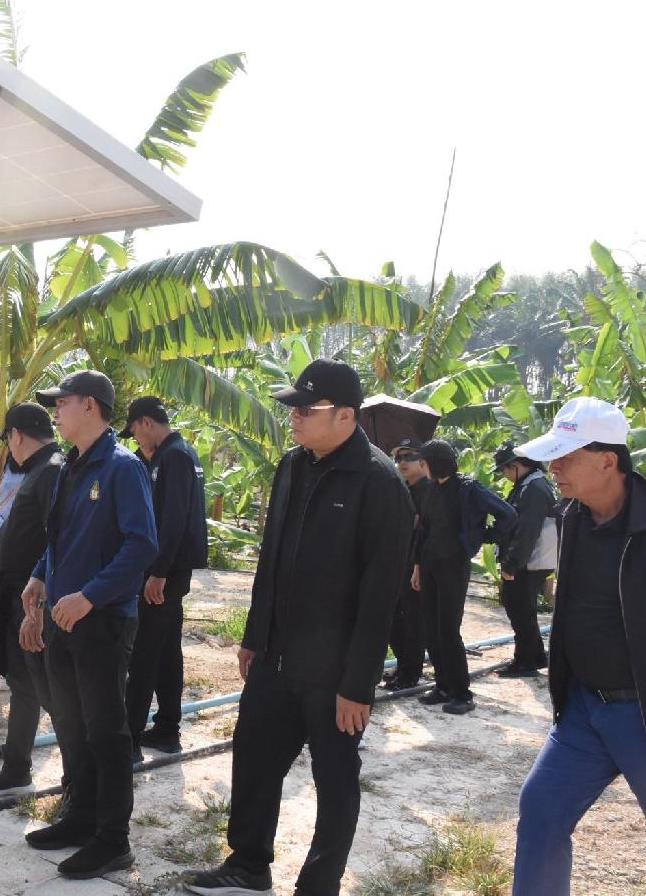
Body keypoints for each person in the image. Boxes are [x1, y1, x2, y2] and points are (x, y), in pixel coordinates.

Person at [186, 359, 413, 896]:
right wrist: (254, 636)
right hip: (277, 656)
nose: (293, 418)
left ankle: (319, 884)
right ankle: (248, 865)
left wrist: (358, 684)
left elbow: (381, 597)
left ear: (345, 416)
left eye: (305, 410)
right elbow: (271, 558)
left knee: (334, 779)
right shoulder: (292, 465)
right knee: (254, 759)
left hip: (334, 673)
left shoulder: (379, 483)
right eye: (292, 408)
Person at [511, 397, 646, 894]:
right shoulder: (573, 517)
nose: (554, 467)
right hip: (584, 710)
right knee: (541, 810)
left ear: (607, 461)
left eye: (566, 457)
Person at [18, 370, 157, 880]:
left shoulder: (122, 468)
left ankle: (113, 838)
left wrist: (89, 597)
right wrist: (39, 576)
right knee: (72, 725)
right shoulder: (69, 467)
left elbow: (141, 545)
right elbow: (61, 538)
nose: (56, 411)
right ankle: (81, 815)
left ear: (91, 406)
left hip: (101, 621)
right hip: (63, 617)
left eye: (63, 402)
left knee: (105, 730)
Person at [0, 403, 65, 798]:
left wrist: (36, 608)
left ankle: (83, 777)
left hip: (33, 602)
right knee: (25, 684)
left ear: (17, 436)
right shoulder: (41, 470)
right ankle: (16, 767)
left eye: (8, 439)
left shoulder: (51, 472)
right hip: (20, 596)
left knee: (51, 691)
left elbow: (58, 544)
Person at [120, 395, 208, 758]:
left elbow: (173, 520)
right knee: (167, 651)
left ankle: (130, 739)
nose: (137, 441)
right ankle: (167, 728)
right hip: (171, 568)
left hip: (165, 571)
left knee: (143, 653)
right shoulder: (175, 454)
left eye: (135, 432)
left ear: (146, 423)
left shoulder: (174, 456)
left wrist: (158, 572)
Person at [413, 439, 516, 715]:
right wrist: (417, 566)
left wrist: (481, 537)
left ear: (434, 463)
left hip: (453, 566)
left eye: (423, 462)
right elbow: (424, 530)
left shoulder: (468, 488)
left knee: (448, 630)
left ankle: (462, 693)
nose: (420, 467)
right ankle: (442, 686)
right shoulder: (431, 489)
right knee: (431, 629)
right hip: (430, 565)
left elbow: (508, 515)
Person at [494, 440, 556, 677]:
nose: (504, 475)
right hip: (529, 561)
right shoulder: (530, 485)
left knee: (519, 609)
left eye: (504, 470)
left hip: (528, 562)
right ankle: (536, 655)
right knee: (523, 610)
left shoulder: (534, 489)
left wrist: (512, 563)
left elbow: (527, 530)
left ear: (516, 465)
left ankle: (525, 661)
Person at [380, 439, 430, 691]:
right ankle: (403, 666)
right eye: (398, 458)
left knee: (413, 620)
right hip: (399, 559)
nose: (401, 463)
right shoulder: (404, 489)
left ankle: (410, 672)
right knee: (395, 617)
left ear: (422, 461)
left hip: (417, 563)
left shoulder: (428, 491)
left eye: (408, 457)